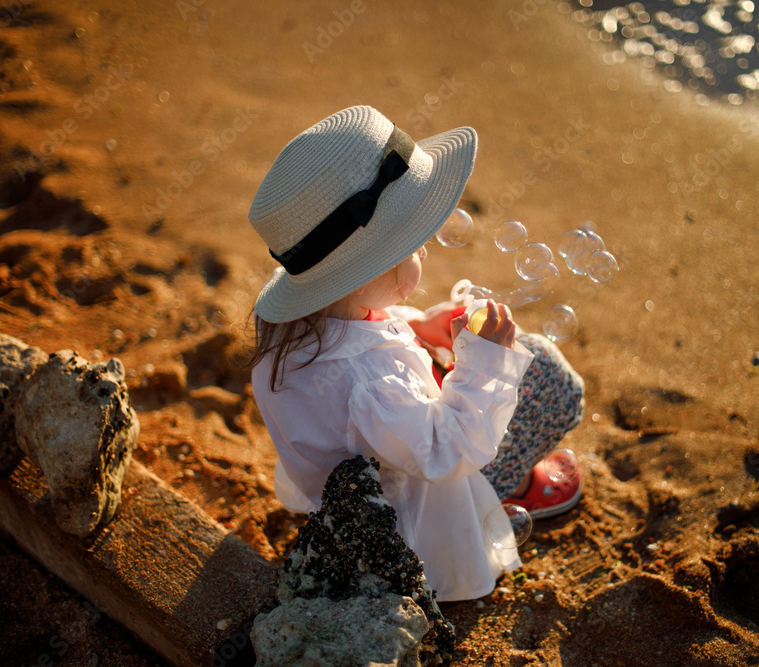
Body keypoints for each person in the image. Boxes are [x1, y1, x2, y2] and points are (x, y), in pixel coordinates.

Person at [247, 106, 584, 601]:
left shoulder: (299, 329)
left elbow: (361, 346)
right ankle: (504, 490)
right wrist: (488, 361)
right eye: (412, 243)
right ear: (366, 272)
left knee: (463, 366)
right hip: (420, 530)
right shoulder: (373, 382)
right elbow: (449, 448)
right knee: (545, 372)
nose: (425, 249)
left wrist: (418, 325)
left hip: (355, 501)